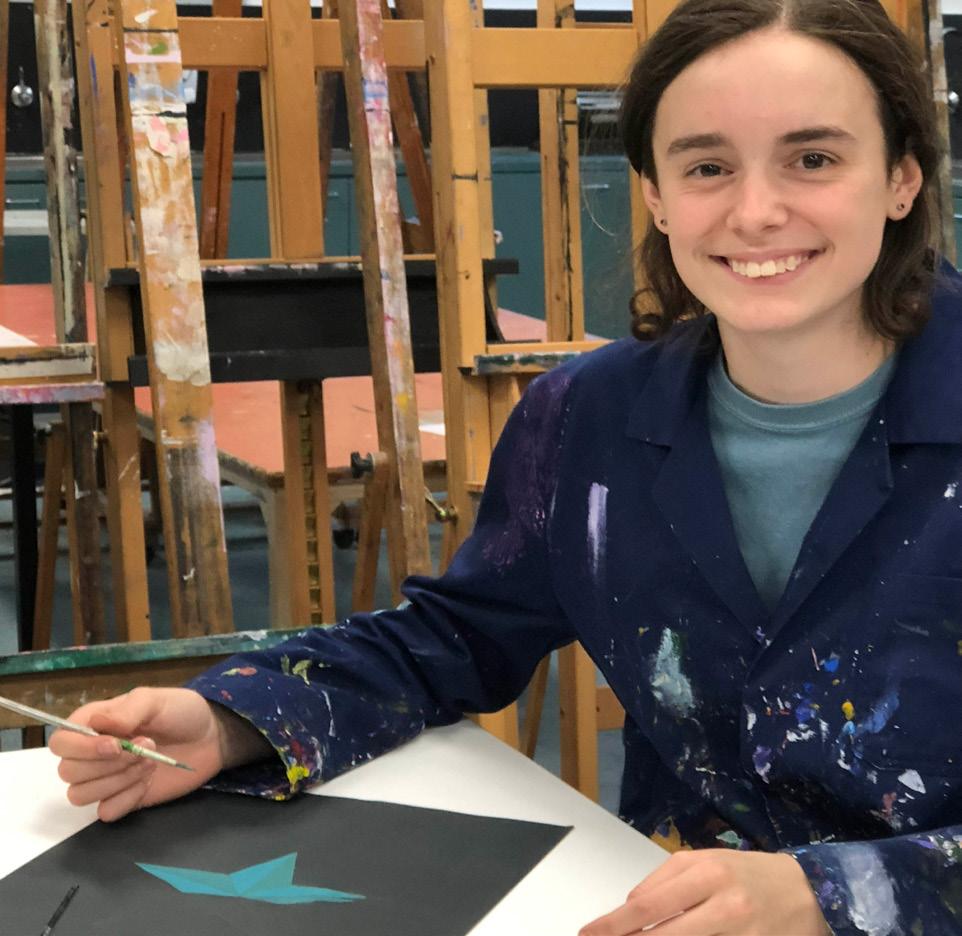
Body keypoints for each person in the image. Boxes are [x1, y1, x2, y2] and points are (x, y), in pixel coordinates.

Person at [49, 0, 962, 932]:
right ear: (655, 194)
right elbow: (454, 637)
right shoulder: (588, 420)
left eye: (814, 160)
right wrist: (232, 721)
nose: (756, 211)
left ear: (901, 178)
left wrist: (832, 896)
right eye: (707, 167)